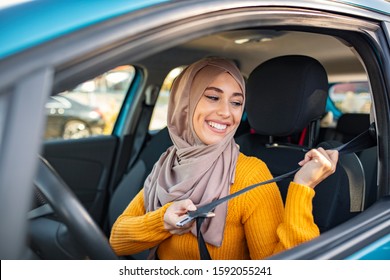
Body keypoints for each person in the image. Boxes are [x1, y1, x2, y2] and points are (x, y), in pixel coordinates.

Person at [109, 57, 339, 260]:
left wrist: (303, 187)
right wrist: (163, 221)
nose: (227, 112)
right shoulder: (168, 163)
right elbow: (118, 240)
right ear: (184, 104)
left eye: (236, 102)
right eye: (212, 97)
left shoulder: (250, 174)